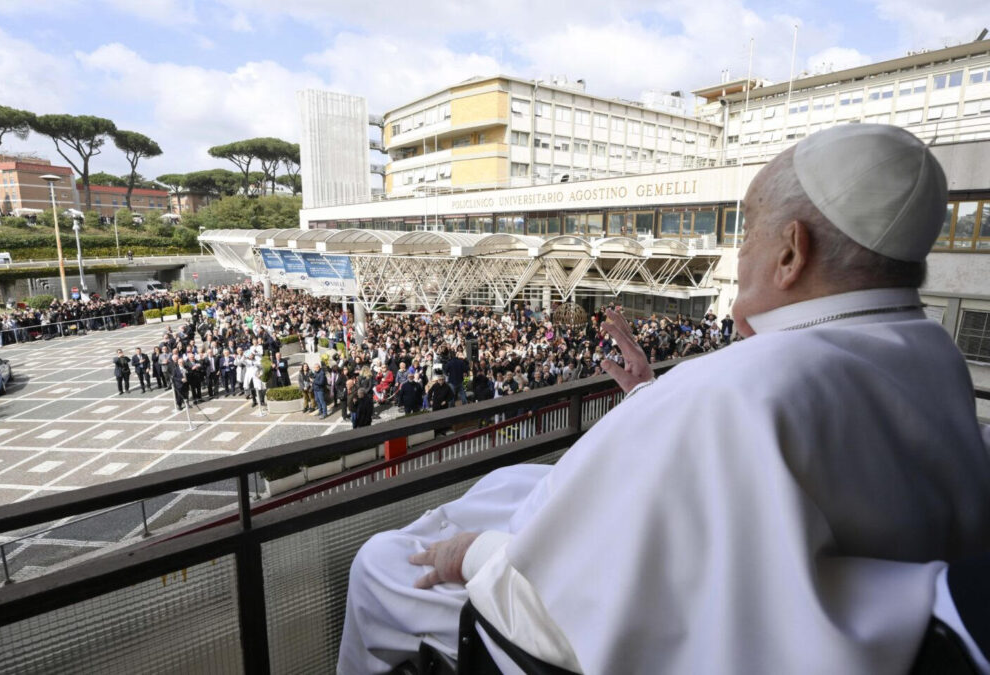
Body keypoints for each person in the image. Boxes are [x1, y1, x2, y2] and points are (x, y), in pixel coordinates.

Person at [338, 125, 990, 674]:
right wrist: (651, 399)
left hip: (647, 634)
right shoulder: (933, 356)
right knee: (509, 479)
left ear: (791, 251)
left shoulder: (728, 387)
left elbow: (560, 595)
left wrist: (474, 554)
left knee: (380, 563)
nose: (742, 259)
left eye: (747, 236)